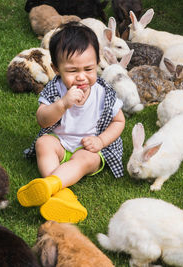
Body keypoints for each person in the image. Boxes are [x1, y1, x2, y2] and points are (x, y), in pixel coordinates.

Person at [18, 22, 125, 223]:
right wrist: (62, 104)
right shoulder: (54, 89)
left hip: (89, 147)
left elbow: (119, 121)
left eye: (88, 68)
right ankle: (62, 195)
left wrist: (101, 141)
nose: (82, 77)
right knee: (44, 143)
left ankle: (50, 185)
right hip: (61, 142)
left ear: (98, 62)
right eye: (72, 70)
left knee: (86, 159)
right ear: (56, 69)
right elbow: (42, 120)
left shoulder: (103, 92)